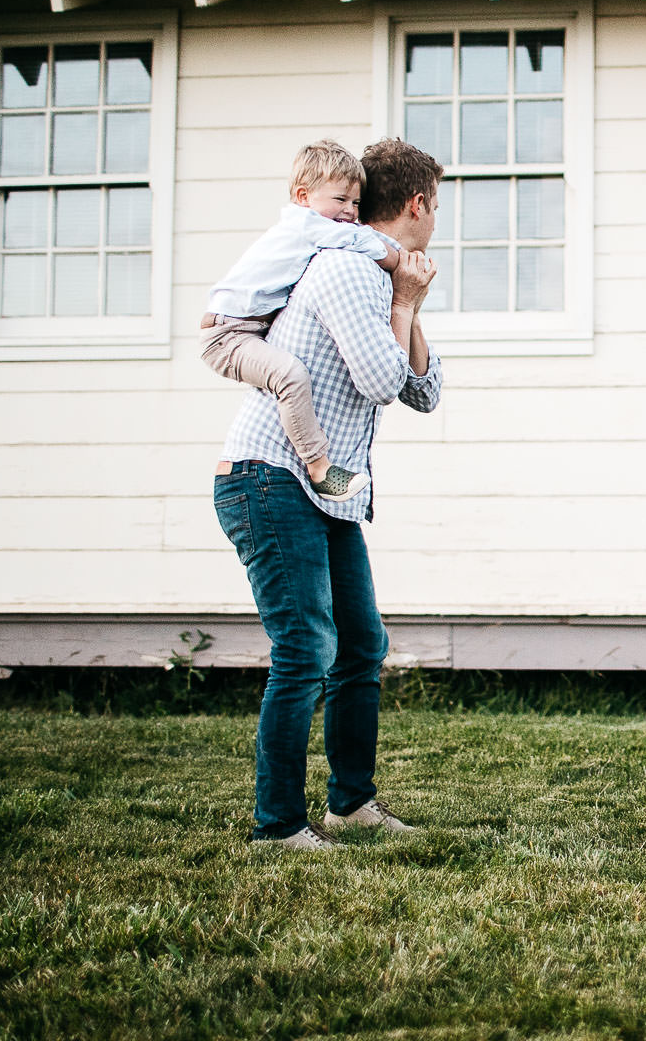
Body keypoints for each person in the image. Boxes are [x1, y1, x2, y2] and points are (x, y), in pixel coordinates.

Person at [213, 138, 442, 850]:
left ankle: (351, 806)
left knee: (360, 643)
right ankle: (278, 826)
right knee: (305, 647)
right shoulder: (347, 269)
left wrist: (410, 305)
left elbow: (425, 391)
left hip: (328, 485)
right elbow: (383, 383)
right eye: (437, 204)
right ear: (417, 204)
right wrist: (404, 300)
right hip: (268, 476)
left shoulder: (384, 278)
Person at [202, 139, 408, 503]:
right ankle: (318, 467)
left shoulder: (319, 226)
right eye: (340, 200)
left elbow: (359, 234)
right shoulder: (306, 225)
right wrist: (399, 263)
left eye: (356, 203)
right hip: (227, 335)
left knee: (288, 370)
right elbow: (363, 242)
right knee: (290, 375)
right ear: (302, 196)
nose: (350, 211)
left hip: (246, 328)